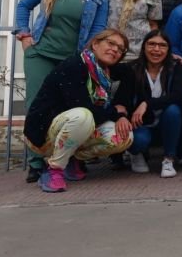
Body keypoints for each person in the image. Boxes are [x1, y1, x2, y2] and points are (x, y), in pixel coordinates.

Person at [13, 0, 109, 183]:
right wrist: (23, 34)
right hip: (41, 55)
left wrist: (86, 60)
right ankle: (35, 163)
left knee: (71, 109)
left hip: (72, 61)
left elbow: (97, 30)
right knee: (36, 105)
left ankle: (63, 158)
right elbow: (24, 6)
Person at [23, 29, 135, 193]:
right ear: (95, 44)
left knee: (124, 137)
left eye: (120, 49)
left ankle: (70, 158)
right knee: (83, 115)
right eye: (110, 43)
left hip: (75, 128)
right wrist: (116, 113)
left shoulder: (111, 71)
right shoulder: (75, 65)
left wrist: (122, 115)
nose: (115, 50)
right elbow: (85, 107)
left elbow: (125, 91)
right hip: (43, 133)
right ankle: (54, 169)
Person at [124, 30, 182, 178]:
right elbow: (124, 98)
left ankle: (168, 159)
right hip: (141, 124)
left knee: (173, 110)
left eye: (162, 45)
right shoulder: (132, 68)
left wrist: (147, 103)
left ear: (168, 50)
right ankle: (136, 154)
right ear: (143, 47)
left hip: (167, 124)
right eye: (152, 44)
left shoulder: (175, 67)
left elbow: (177, 96)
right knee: (139, 140)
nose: (156, 49)